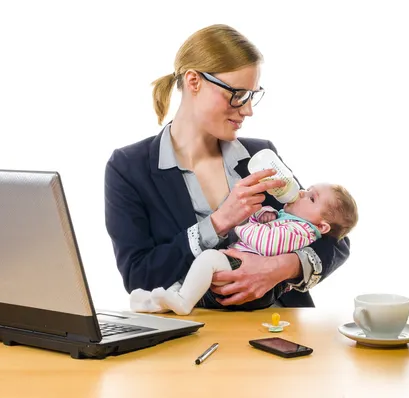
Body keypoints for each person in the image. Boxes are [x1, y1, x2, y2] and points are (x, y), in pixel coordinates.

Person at [104, 24, 352, 311]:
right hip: (192, 331)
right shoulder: (129, 168)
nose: (247, 110)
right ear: (194, 81)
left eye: (251, 95)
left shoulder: (260, 155)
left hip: (276, 326)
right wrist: (217, 222)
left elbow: (334, 234)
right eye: (237, 94)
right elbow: (139, 276)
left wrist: (280, 267)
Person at [129, 184, 358, 315]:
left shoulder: (301, 230)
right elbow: (138, 269)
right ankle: (156, 303)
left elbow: (337, 242)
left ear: (321, 226)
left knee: (209, 258)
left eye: (310, 197)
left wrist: (242, 226)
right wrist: (262, 215)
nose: (300, 191)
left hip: (257, 294)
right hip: (226, 282)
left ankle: (182, 302)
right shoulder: (292, 218)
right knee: (189, 274)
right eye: (308, 189)